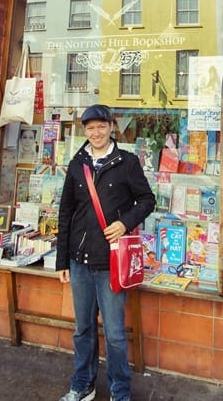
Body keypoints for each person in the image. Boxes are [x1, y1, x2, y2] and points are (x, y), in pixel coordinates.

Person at [56, 104, 155, 401]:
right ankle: (82, 385)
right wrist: (62, 260)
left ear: (111, 127)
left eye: (101, 126)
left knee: (114, 334)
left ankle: (119, 392)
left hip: (111, 263)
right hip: (80, 262)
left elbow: (147, 200)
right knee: (82, 329)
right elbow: (65, 212)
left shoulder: (127, 162)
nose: (96, 132)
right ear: (84, 131)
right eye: (90, 128)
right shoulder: (78, 163)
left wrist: (125, 223)